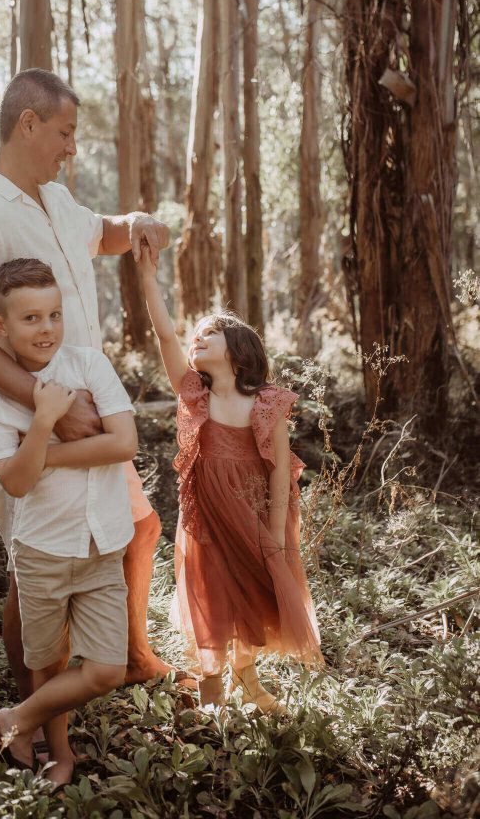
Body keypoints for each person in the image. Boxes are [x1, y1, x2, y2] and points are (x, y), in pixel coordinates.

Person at [0, 68, 185, 707]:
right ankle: (30, 716)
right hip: (34, 421)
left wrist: (136, 221)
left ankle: (130, 659)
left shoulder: (55, 199)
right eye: (65, 132)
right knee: (34, 568)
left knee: (136, 528)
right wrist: (48, 407)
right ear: (28, 124)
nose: (72, 148)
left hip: (90, 403)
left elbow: (101, 232)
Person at [137, 245, 323, 712]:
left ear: (239, 351)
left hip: (253, 515)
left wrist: (276, 537)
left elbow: (280, 474)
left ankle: (248, 678)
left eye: (209, 333)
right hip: (206, 518)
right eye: (196, 335)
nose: (196, 339)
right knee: (212, 595)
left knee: (251, 597)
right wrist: (148, 277)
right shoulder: (194, 394)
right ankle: (211, 687)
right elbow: (164, 334)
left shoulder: (266, 403)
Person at [0, 258, 137, 787]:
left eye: (54, 314)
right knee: (47, 662)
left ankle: (13, 721)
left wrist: (40, 451)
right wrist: (44, 419)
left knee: (106, 670)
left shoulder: (90, 365)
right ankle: (59, 754)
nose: (46, 328)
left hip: (103, 543)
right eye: (30, 318)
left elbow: (124, 443)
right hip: (43, 549)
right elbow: (16, 483)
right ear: (1, 325)